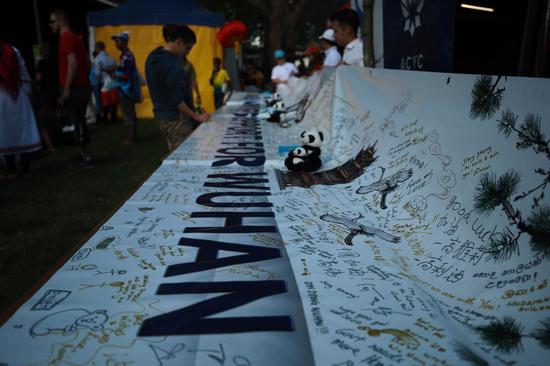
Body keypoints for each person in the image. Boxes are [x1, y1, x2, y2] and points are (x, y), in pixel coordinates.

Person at [145, 24, 210, 152]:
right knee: (185, 156)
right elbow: (177, 101)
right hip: (177, 120)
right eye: (188, 48)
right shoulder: (174, 66)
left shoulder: (153, 56)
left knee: (174, 152)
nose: (188, 52)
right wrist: (196, 117)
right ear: (179, 42)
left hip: (162, 116)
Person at [50, 9, 93, 166]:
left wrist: (67, 88)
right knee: (79, 121)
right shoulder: (75, 37)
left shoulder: (66, 37)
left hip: (75, 88)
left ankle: (86, 157)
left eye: (53, 21)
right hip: (81, 86)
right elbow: (87, 62)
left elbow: (72, 63)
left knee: (78, 122)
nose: (51, 25)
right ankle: (84, 153)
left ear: (61, 21)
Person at [0, 40, 41, 178]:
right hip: (18, 94)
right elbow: (24, 73)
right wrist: (28, 92)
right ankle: (26, 168)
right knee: (22, 129)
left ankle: (11, 170)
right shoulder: (13, 50)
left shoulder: (13, 51)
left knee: (5, 131)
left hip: (2, 96)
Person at [111, 32, 139, 143]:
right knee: (128, 113)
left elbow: (127, 74)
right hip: (125, 89)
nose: (116, 44)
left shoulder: (127, 56)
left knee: (128, 113)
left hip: (127, 90)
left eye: (118, 41)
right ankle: (131, 136)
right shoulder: (124, 55)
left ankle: (132, 138)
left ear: (124, 42)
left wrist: (113, 74)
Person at [35, 43, 58, 151]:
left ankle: (50, 145)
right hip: (55, 91)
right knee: (54, 116)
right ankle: (56, 141)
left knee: (43, 120)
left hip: (45, 93)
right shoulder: (54, 61)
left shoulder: (41, 63)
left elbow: (38, 78)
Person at [91, 41, 117, 124]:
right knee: (112, 101)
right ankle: (113, 118)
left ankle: (102, 118)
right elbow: (115, 69)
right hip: (112, 81)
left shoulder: (97, 59)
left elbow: (97, 73)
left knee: (102, 101)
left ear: (98, 48)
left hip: (102, 82)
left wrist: (95, 82)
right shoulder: (111, 58)